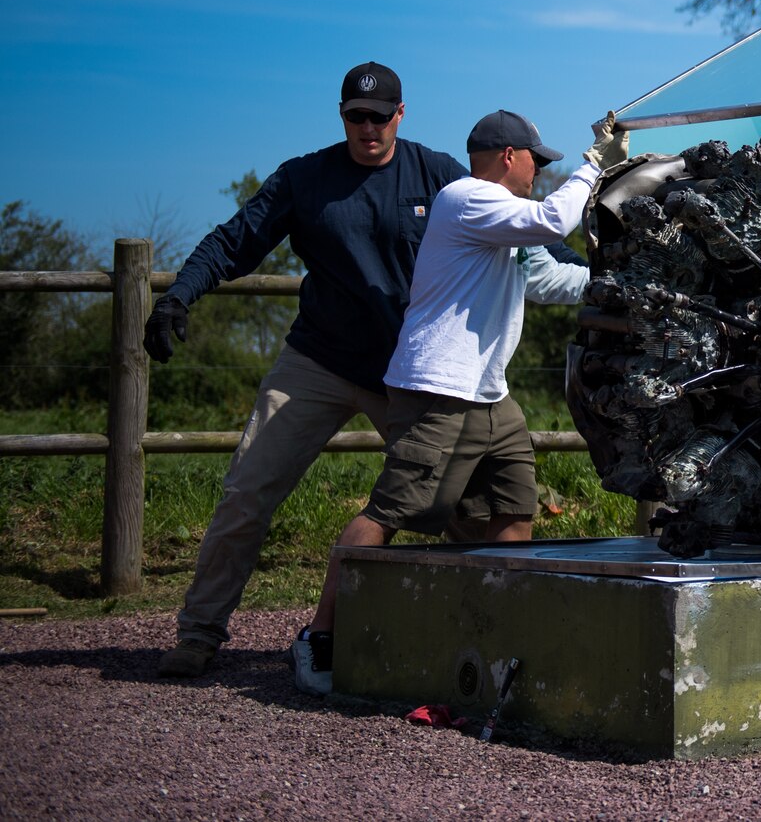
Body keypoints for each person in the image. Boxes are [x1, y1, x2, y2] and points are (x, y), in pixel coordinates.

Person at [146, 63, 470, 679]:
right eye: (356, 116)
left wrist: (589, 273)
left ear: (401, 115)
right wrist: (179, 295)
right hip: (316, 361)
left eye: (379, 116)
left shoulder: (437, 174)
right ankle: (198, 633)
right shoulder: (305, 177)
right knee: (247, 492)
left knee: (456, 504)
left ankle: (485, 634)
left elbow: (516, 229)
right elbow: (232, 240)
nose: (367, 128)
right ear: (341, 114)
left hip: (407, 368)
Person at [292, 108, 625, 695]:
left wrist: (623, 281)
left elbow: (547, 279)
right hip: (437, 389)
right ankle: (318, 637)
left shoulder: (503, 222)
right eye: (535, 164)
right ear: (507, 158)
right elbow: (552, 220)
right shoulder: (466, 198)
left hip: (489, 393)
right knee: (389, 512)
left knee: (514, 509)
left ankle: (494, 642)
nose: (539, 175)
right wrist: (594, 165)